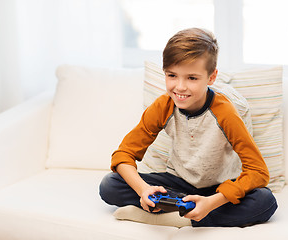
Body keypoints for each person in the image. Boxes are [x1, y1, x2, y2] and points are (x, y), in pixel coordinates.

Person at [99, 28, 277, 228]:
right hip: (179, 183)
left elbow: (258, 171)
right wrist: (143, 190)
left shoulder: (226, 112)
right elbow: (123, 154)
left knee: (265, 201)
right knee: (110, 185)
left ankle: (172, 216)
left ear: (211, 78)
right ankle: (184, 208)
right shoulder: (163, 106)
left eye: (192, 78)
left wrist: (212, 202)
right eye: (172, 75)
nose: (180, 87)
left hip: (218, 190)